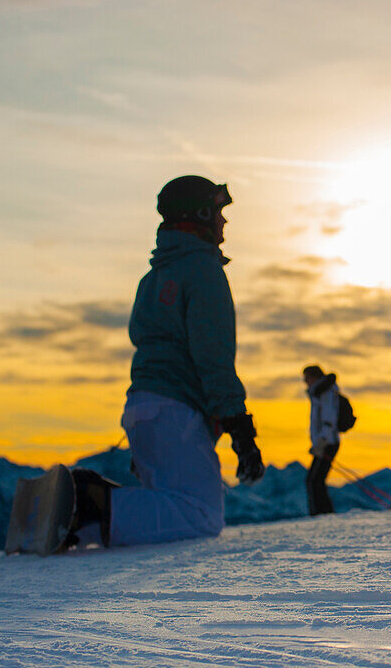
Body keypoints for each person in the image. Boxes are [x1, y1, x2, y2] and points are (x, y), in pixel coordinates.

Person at [71, 175, 265, 548]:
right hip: (176, 412)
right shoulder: (204, 271)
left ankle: (80, 521)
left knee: (169, 514)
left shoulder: (154, 276)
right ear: (202, 214)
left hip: (145, 407)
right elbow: (213, 356)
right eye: (219, 213)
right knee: (202, 514)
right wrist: (240, 428)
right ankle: (91, 502)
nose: (224, 223)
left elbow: (152, 348)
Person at [302, 364, 340, 515]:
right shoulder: (320, 392)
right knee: (315, 480)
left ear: (315, 377)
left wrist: (322, 441)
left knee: (314, 480)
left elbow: (328, 417)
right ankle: (323, 513)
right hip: (325, 442)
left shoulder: (325, 392)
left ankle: (321, 515)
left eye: (307, 378)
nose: (305, 382)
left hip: (327, 442)